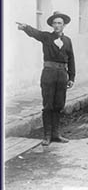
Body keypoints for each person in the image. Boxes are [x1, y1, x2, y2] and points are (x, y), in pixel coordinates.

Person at [17, 11, 75, 146]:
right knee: (48, 105)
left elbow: (71, 58)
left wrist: (71, 76)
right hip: (49, 74)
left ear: (64, 25)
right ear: (52, 25)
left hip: (62, 75)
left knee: (59, 104)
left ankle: (56, 134)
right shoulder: (46, 37)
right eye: (54, 23)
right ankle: (47, 136)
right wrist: (26, 27)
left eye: (59, 23)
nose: (56, 25)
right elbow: (35, 33)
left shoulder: (67, 40)